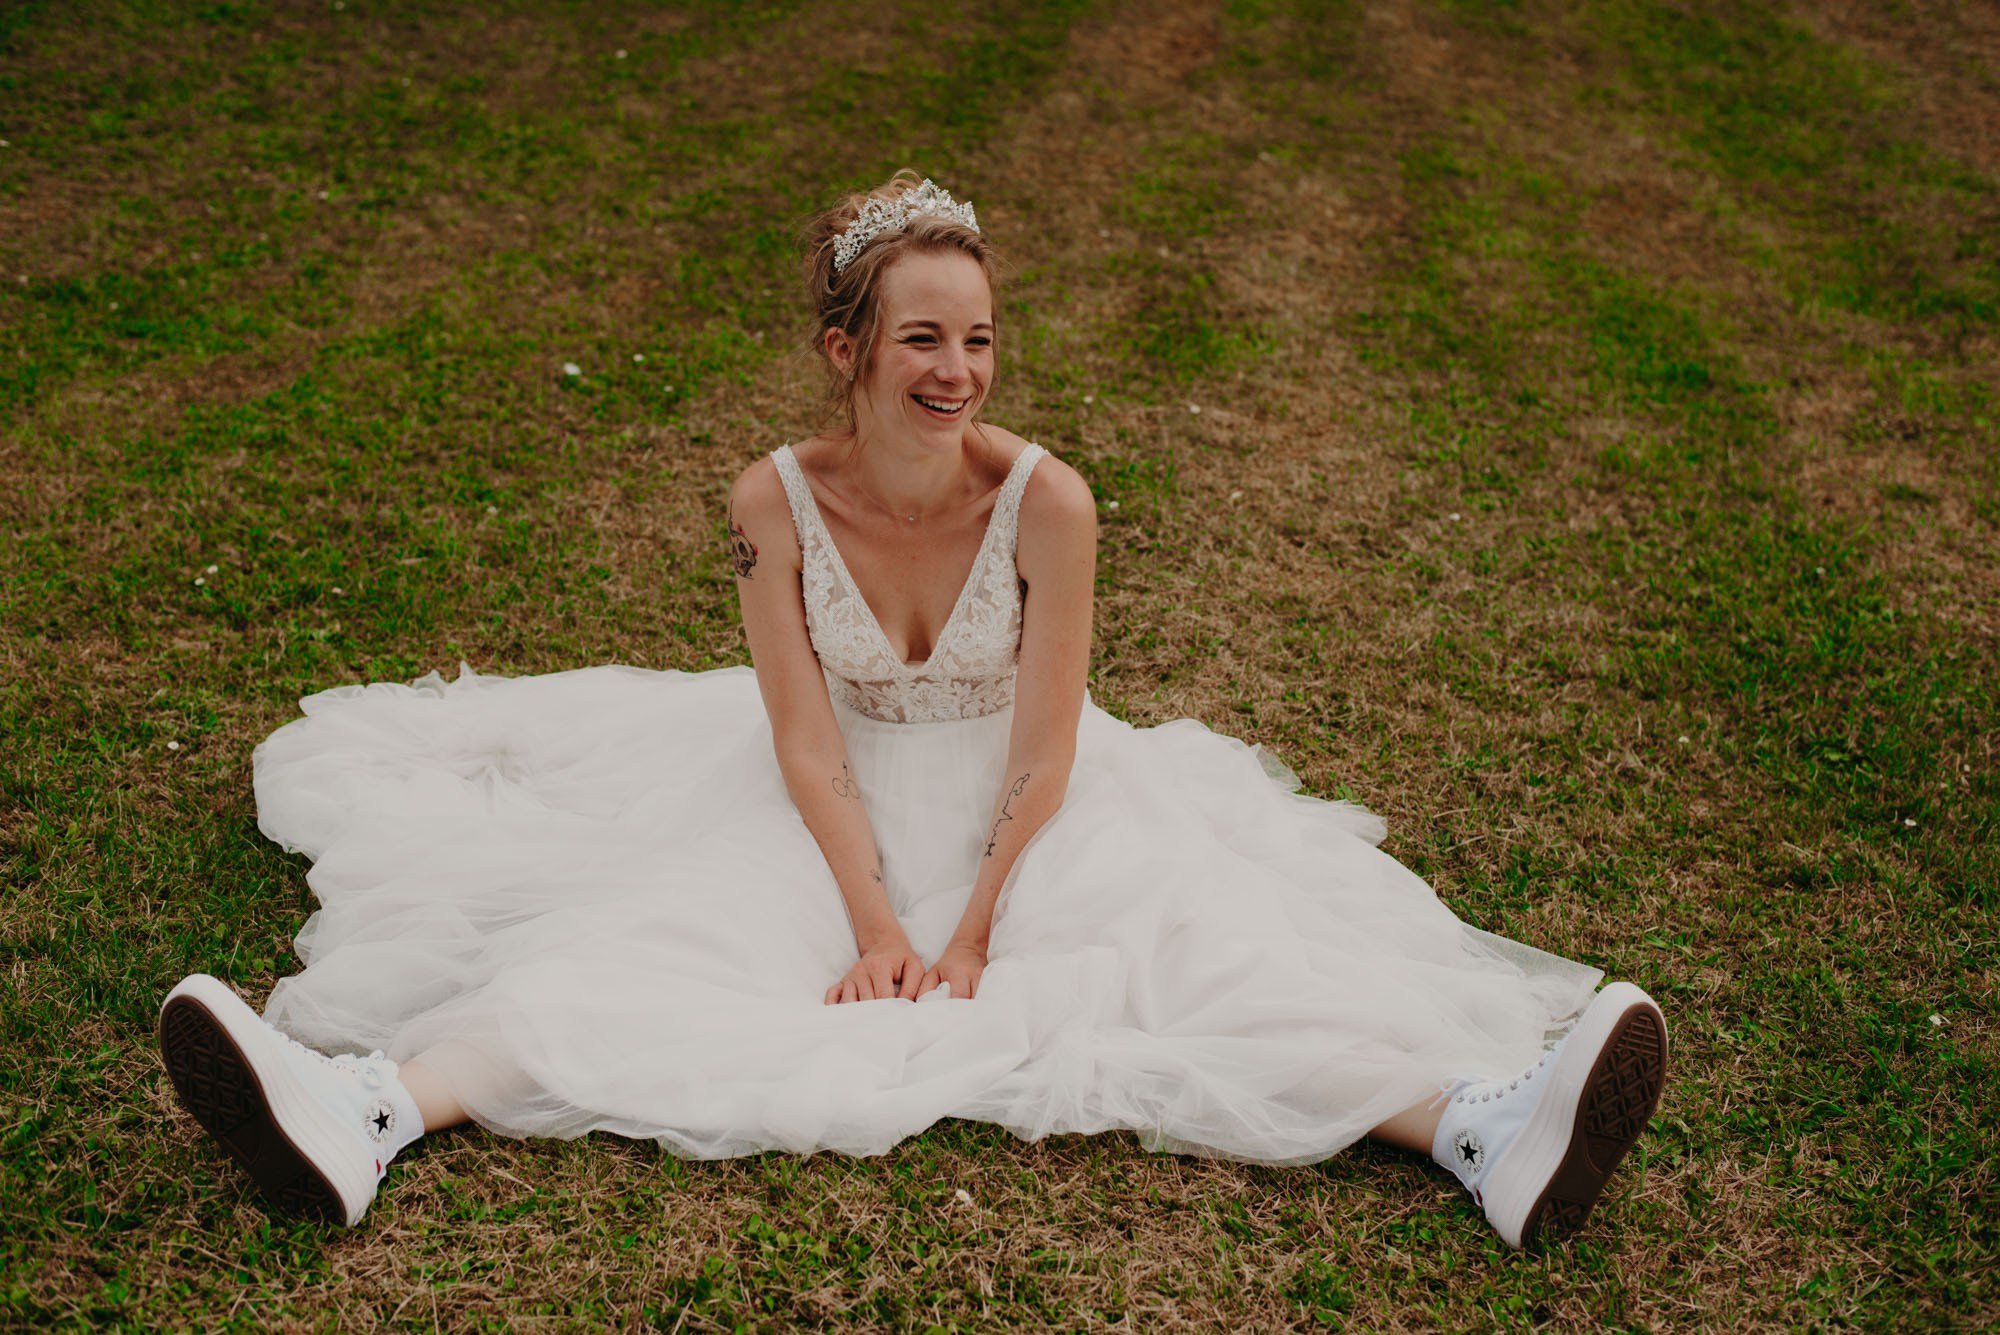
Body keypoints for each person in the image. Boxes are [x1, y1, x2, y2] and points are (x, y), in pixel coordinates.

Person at [160, 172, 1667, 1249]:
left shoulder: (1049, 500)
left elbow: (1052, 739)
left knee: (1185, 959)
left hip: (1032, 796)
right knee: (661, 947)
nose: (959, 370)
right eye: (925, 337)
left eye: (982, 338)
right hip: (826, 800)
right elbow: (806, 741)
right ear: (848, 352)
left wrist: (972, 930)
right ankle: (368, 1112)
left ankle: (1478, 1127)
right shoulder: (771, 500)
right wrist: (877, 925)